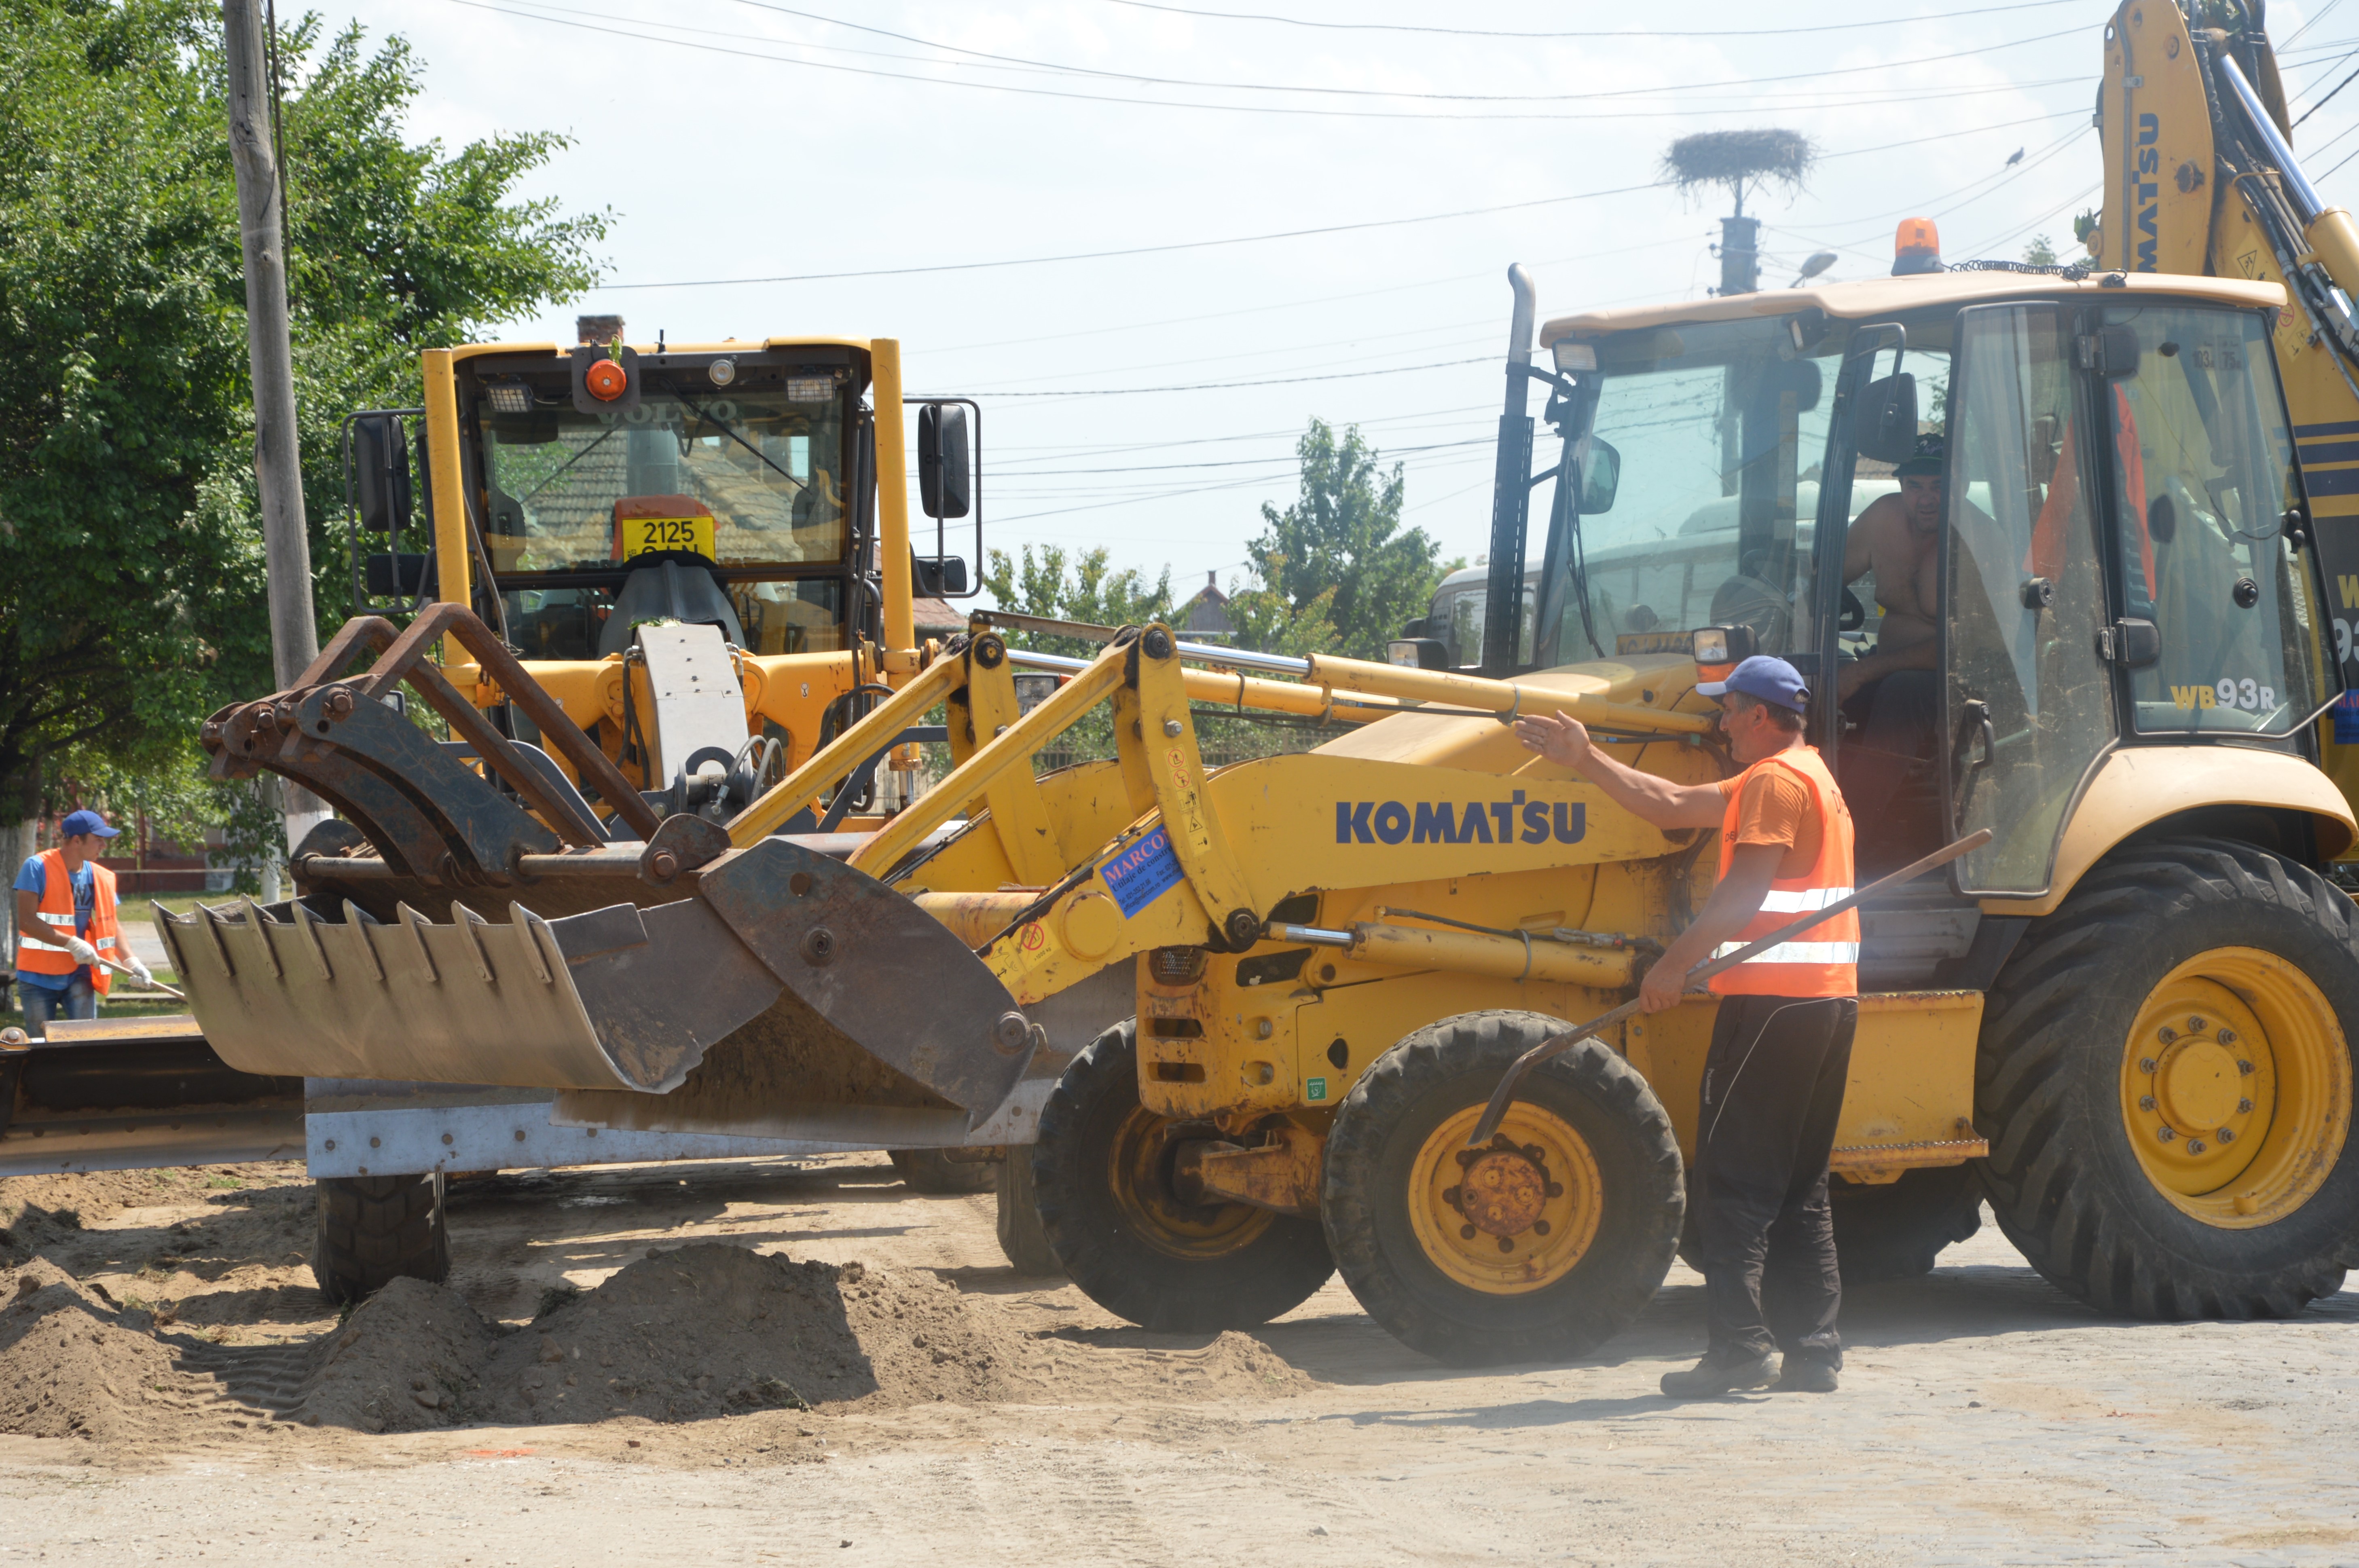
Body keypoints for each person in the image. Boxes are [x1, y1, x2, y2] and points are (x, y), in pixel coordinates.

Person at [1513, 655, 1859, 1397]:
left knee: (1733, 1182)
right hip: (1826, 1003)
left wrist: (1670, 966)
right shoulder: (1808, 776)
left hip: (1772, 1003)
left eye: (1730, 710)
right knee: (1799, 1182)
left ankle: (1738, 1349)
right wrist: (1586, 757)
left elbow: (1740, 896)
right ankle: (1813, 1348)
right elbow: (1668, 801)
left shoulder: (1771, 781)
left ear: (1761, 716)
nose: (1721, 722)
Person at [13, 809, 149, 1037]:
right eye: (98, 840)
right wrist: (73, 943)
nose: (103, 846)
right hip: (37, 976)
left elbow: (111, 923)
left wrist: (131, 962)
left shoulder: (101, 876)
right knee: (39, 1048)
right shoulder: (36, 867)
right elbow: (27, 921)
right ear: (77, 840)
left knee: (86, 1042)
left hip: (80, 974)